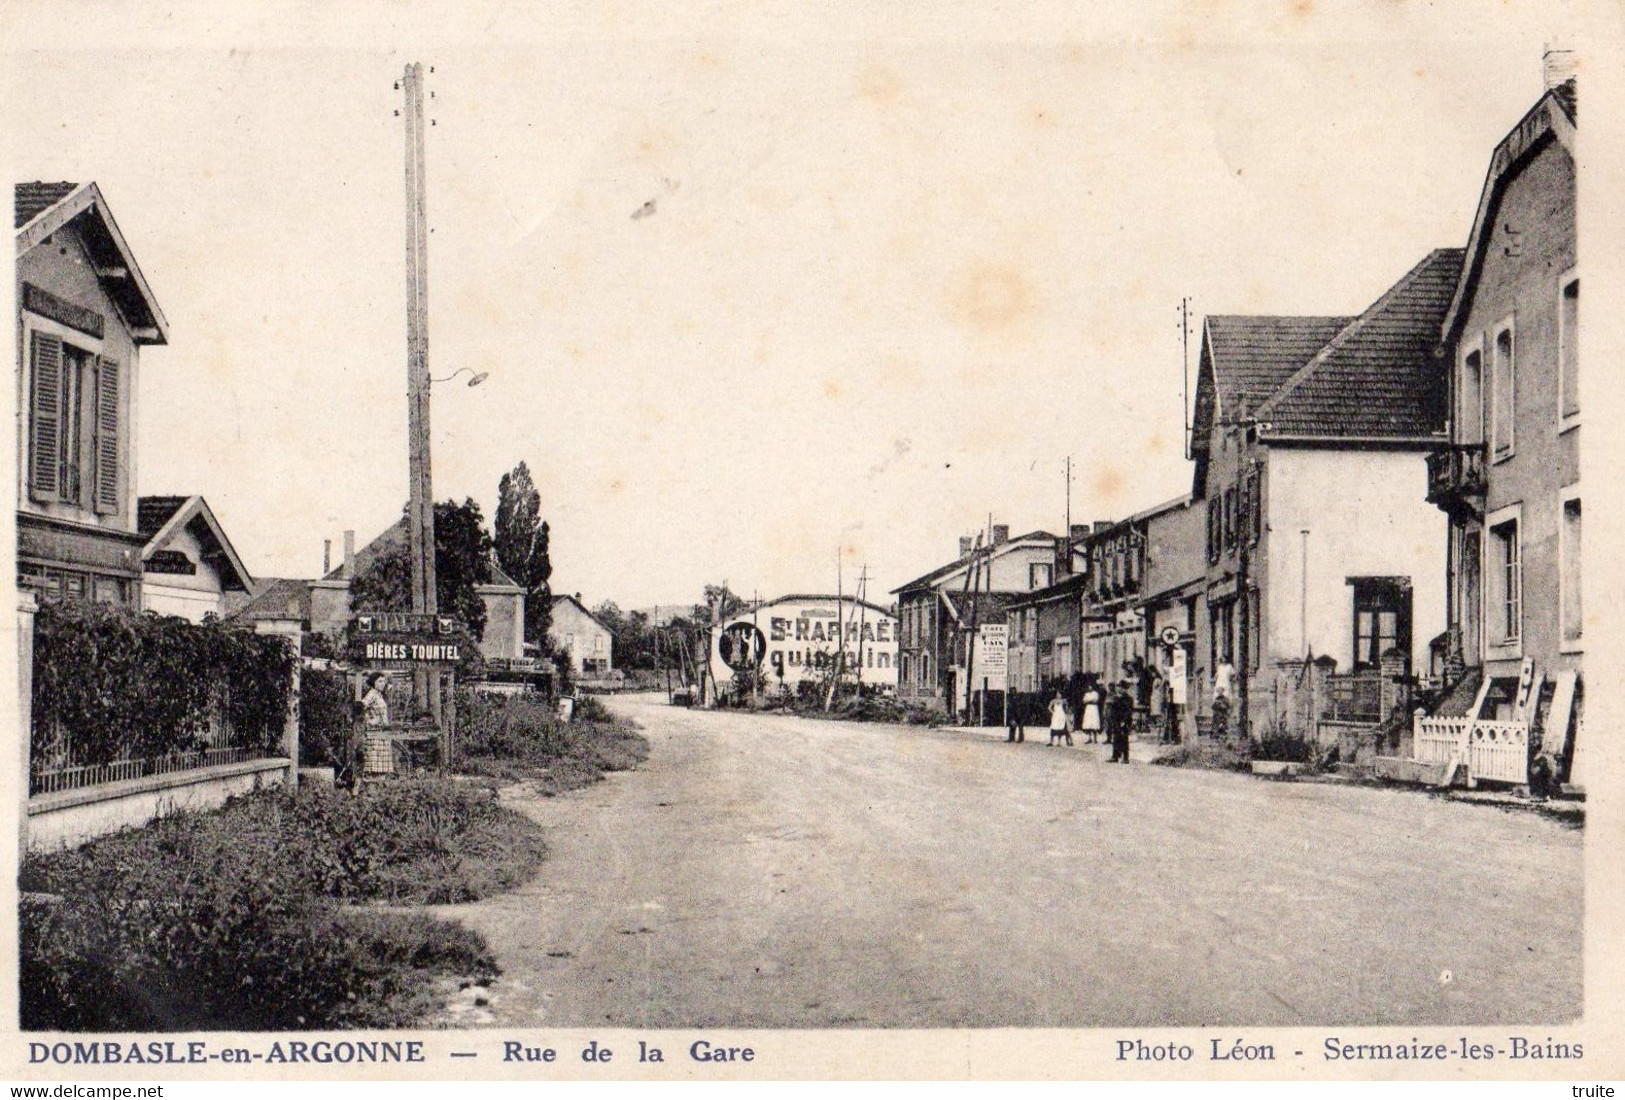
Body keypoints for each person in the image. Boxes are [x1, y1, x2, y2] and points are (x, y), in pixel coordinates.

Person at [1108, 681, 1136, 762]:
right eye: (1119, 687)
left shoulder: (1128, 699)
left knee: (1124, 738)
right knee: (1116, 738)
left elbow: (1128, 711)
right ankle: (1115, 756)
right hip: (1116, 720)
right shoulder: (1116, 698)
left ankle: (1125, 757)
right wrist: (1112, 719)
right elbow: (1113, 709)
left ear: (1125, 689)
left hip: (1124, 721)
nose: (1119, 689)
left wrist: (1124, 721)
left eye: (1121, 687)